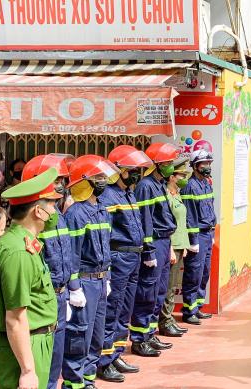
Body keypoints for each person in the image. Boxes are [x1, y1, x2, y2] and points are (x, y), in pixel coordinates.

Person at [0, 168, 60, 389]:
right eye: (51, 204)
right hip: (26, 345)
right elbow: (15, 318)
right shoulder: (19, 252)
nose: (55, 210)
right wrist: (28, 370)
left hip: (32, 341)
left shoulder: (21, 243)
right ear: (38, 211)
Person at [96, 145, 153, 382]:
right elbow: (106, 234)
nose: (137, 174)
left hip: (133, 257)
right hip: (118, 258)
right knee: (112, 309)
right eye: (132, 170)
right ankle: (103, 360)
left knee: (124, 310)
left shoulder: (128, 193)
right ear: (118, 171)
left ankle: (116, 352)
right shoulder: (108, 196)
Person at [61, 155, 118, 389]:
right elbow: (71, 254)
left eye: (104, 177)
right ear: (85, 181)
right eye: (98, 177)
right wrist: (74, 288)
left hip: (101, 279)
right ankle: (74, 383)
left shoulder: (103, 210)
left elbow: (107, 248)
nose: (103, 181)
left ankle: (89, 379)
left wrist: (108, 278)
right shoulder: (75, 214)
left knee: (96, 334)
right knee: (79, 335)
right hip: (84, 283)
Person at [22, 154, 75, 389]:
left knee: (55, 357)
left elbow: (67, 254)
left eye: (63, 180)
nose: (61, 187)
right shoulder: (31, 221)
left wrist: (72, 288)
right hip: (43, 297)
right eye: (56, 181)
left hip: (60, 294)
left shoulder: (58, 215)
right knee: (38, 359)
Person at [130, 143, 178, 356]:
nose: (170, 166)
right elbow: (145, 220)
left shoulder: (159, 184)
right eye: (167, 163)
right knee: (147, 291)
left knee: (159, 291)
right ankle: (140, 339)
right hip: (154, 243)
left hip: (164, 242)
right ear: (156, 164)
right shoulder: (146, 186)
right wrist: (148, 251)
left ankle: (149, 333)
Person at [180, 149, 216, 324]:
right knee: (194, 273)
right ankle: (189, 310)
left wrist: (213, 233)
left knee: (204, 272)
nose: (207, 166)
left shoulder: (207, 183)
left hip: (208, 234)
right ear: (195, 166)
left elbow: (211, 208)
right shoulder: (189, 186)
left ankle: (198, 306)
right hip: (198, 236)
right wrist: (193, 241)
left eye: (209, 163)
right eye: (204, 164)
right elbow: (190, 216)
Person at [159, 158, 192, 336]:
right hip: (171, 245)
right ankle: (165, 321)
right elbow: (167, 223)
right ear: (172, 176)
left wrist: (184, 245)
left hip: (180, 245)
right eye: (181, 175)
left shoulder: (177, 194)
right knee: (169, 286)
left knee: (175, 285)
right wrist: (171, 247)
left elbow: (181, 222)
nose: (184, 178)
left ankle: (169, 318)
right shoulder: (166, 195)